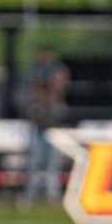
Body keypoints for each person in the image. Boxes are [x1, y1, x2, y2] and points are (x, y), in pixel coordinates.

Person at [21, 47, 70, 204]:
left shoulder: (57, 75)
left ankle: (52, 199)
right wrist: (40, 83)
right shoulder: (37, 79)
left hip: (53, 129)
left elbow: (60, 85)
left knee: (52, 166)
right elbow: (32, 97)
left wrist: (53, 78)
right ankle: (31, 197)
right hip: (38, 128)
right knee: (35, 164)